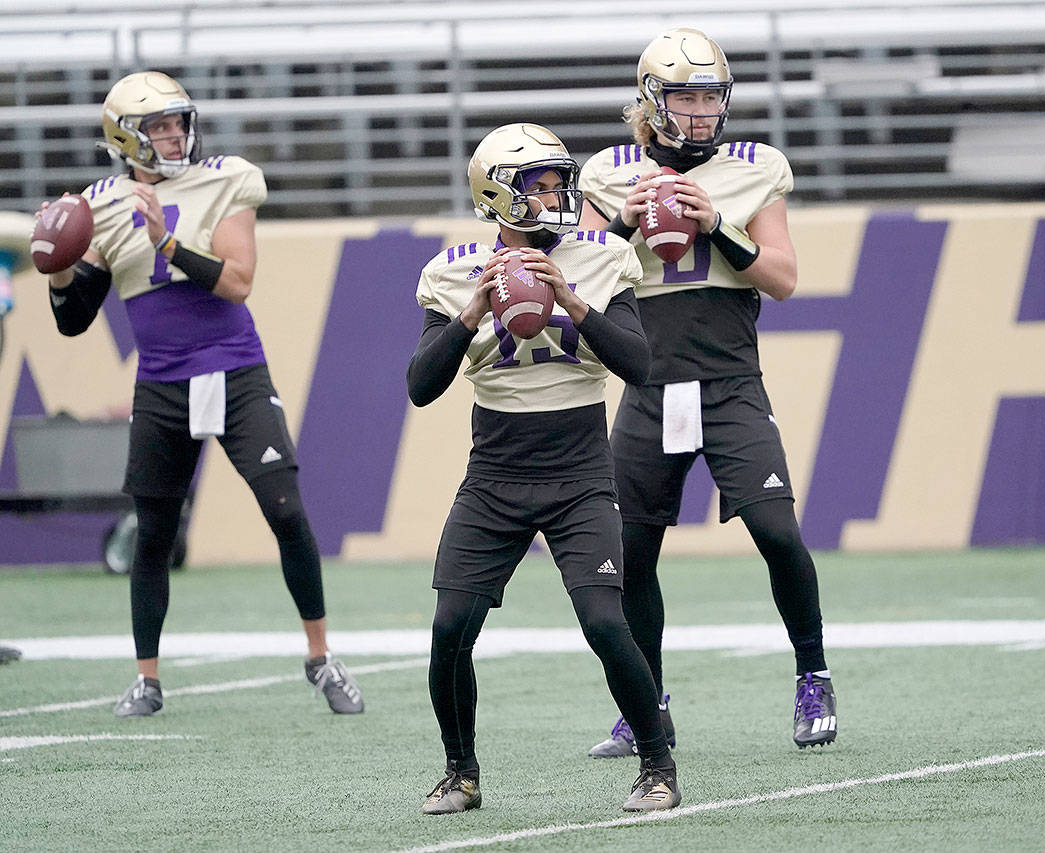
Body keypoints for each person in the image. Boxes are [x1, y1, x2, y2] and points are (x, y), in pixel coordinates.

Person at [42, 71, 363, 717]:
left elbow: (239, 281)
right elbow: (75, 318)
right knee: (153, 531)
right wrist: (60, 267)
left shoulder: (227, 177)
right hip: (162, 382)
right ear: (126, 138)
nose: (173, 134)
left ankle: (322, 656)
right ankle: (147, 678)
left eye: (177, 121)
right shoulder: (103, 202)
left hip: (234, 368)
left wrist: (166, 241)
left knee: (286, 509)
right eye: (157, 125)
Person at [407, 123, 680, 814]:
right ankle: (460, 770)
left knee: (603, 620)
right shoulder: (452, 270)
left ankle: (657, 764)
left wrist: (573, 301)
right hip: (494, 472)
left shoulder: (603, 258)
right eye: (541, 185)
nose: (558, 195)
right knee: (448, 626)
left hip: (580, 469)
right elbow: (419, 384)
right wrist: (471, 311)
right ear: (498, 195)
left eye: (561, 182)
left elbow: (640, 365)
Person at [577, 28, 837, 754]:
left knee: (778, 532)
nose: (700, 111)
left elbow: (783, 279)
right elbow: (586, 283)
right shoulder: (607, 172)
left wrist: (714, 221)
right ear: (652, 101)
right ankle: (644, 704)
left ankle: (812, 672)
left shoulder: (755, 167)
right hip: (648, 384)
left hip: (728, 380)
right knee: (629, 553)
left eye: (710, 96)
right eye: (685, 96)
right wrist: (631, 218)